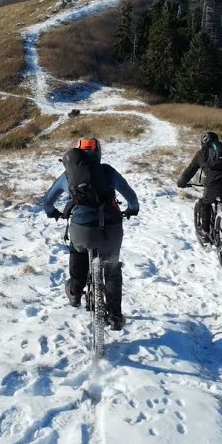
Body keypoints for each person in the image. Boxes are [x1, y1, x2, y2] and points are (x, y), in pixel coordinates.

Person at [40, 137, 140, 331]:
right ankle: (115, 316)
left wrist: (53, 212)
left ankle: (75, 291)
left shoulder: (68, 175)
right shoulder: (108, 171)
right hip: (111, 230)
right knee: (112, 269)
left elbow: (48, 202)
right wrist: (133, 209)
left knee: (77, 251)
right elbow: (131, 196)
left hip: (82, 231)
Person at [176, 131, 222, 244]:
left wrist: (181, 183)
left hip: (213, 183)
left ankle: (205, 233)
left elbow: (189, 172)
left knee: (205, 203)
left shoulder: (201, 153)